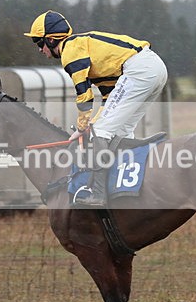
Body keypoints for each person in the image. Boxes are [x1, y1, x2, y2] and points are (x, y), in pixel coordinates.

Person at [24, 10, 168, 207]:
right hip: (155, 68)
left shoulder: (70, 51)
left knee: (102, 131)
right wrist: (91, 124)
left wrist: (84, 126)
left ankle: (98, 192)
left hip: (140, 70)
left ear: (50, 40)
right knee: (121, 130)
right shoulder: (84, 48)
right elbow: (109, 97)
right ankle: (127, 188)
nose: (40, 50)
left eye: (39, 43)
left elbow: (84, 96)